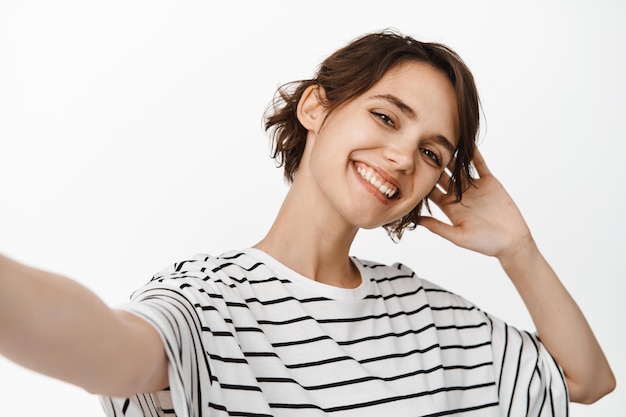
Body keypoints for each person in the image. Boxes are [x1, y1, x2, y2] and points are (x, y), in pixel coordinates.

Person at [0, 30, 615, 417]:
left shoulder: (429, 316)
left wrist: (518, 248)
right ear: (317, 105)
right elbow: (99, 344)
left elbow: (586, 381)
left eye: (433, 152)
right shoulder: (205, 299)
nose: (403, 157)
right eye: (385, 116)